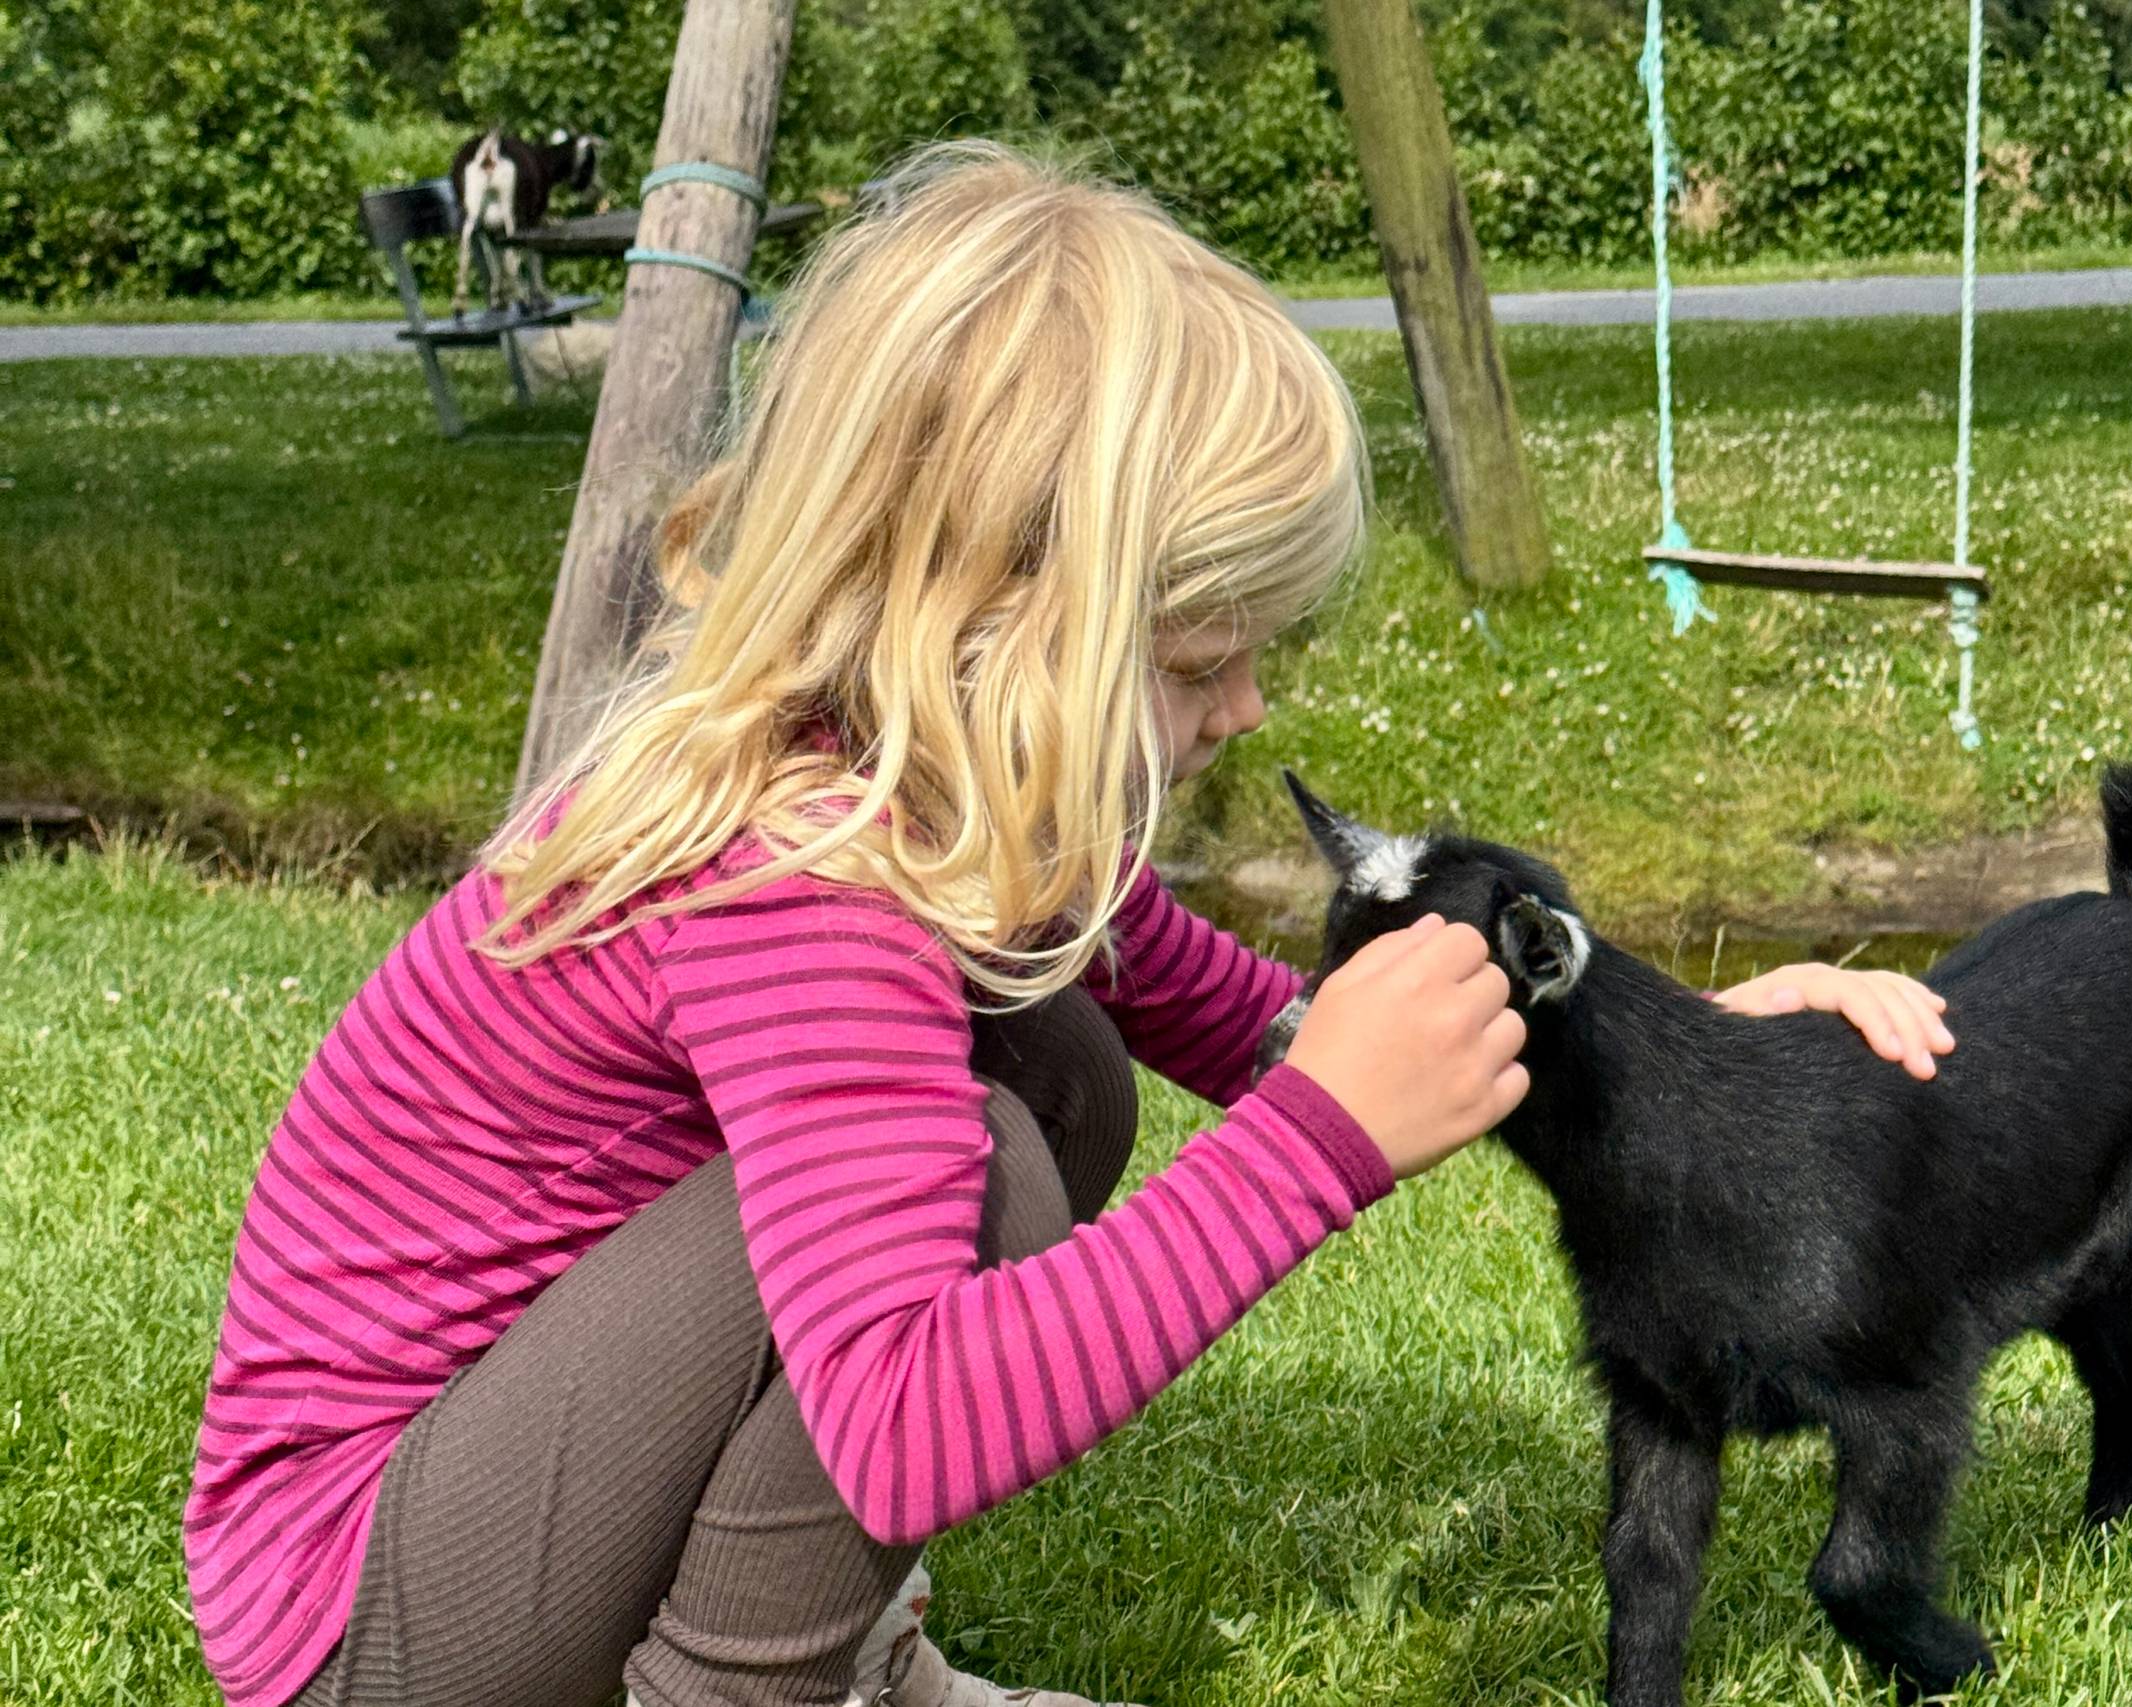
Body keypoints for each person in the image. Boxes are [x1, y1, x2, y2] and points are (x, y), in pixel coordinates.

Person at [184, 139, 1956, 1707]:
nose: (1246, 706)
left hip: (486, 1511)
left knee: (1061, 1061)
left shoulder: (936, 800)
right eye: (1195, 659)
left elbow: (1259, 1023)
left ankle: (814, 1657)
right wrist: (1318, 1145)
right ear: (990, 624)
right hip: (370, 1624)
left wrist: (1661, 1043)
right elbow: (901, 1419)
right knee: (988, 1165)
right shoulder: (804, 883)